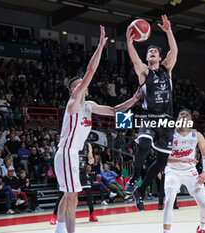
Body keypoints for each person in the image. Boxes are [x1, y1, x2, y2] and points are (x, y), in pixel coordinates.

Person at [53, 26, 140, 233]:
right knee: (70, 195)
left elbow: (113, 110)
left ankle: (59, 229)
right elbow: (90, 72)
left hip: (74, 153)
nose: (84, 85)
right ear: (74, 89)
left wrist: (134, 100)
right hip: (66, 153)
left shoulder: (88, 105)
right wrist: (100, 46)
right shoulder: (73, 103)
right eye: (79, 84)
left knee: (71, 195)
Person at [125, 14, 178, 211]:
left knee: (162, 162)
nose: (153, 52)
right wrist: (129, 42)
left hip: (167, 120)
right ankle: (136, 175)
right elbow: (134, 58)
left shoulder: (166, 69)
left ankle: (141, 190)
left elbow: (174, 50)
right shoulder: (144, 72)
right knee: (144, 144)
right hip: (149, 117)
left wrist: (168, 31)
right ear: (147, 58)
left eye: (156, 51)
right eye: (150, 51)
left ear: (160, 56)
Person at [162, 109, 205, 233]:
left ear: (191, 121)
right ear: (177, 120)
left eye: (187, 115)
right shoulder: (169, 134)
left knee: (203, 203)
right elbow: (162, 157)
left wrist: (204, 172)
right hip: (173, 171)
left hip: (190, 172)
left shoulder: (197, 135)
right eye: (181, 114)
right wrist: (182, 159)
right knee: (169, 200)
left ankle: (202, 227)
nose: (184, 116)